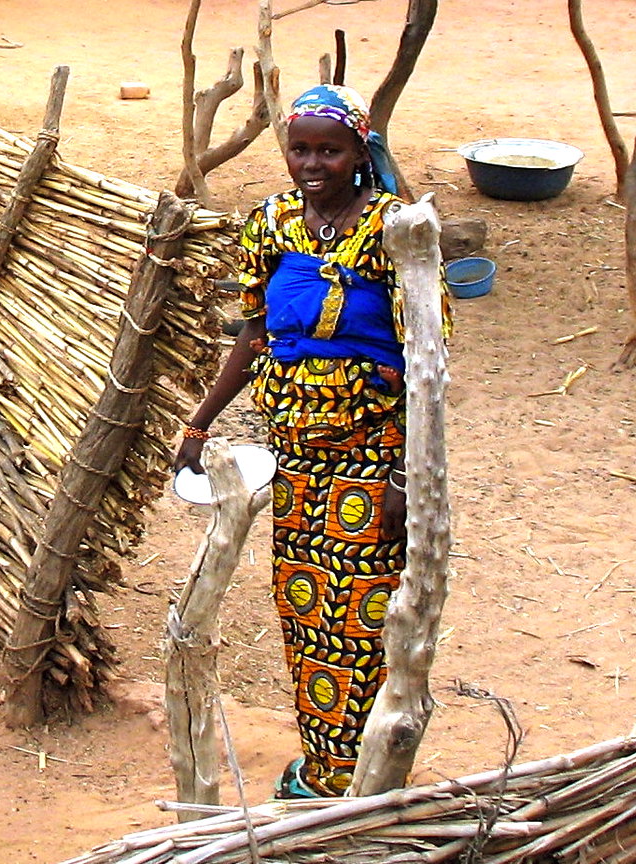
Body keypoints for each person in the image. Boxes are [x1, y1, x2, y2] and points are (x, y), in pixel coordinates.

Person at [174, 83, 445, 801]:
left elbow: (426, 362)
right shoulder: (272, 223)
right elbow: (256, 334)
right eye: (301, 149)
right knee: (303, 615)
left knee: (361, 620)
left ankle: (362, 781)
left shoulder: (397, 228)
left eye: (330, 149)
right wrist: (200, 423)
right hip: (297, 455)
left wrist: (405, 477)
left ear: (361, 151)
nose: (313, 163)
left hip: (371, 454)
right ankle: (321, 774)